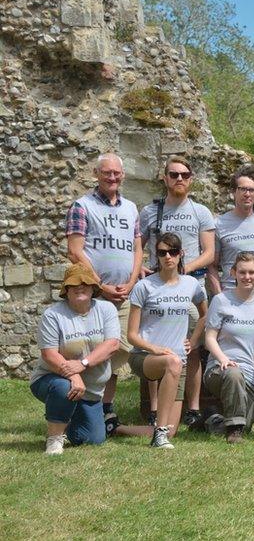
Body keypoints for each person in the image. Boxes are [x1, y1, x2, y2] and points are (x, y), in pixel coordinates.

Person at [65, 152, 142, 435]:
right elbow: (75, 250)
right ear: (96, 174)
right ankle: (82, 405)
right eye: (106, 173)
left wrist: (132, 282)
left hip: (123, 294)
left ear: (123, 175)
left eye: (116, 173)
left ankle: (104, 407)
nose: (112, 177)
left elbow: (137, 249)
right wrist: (100, 285)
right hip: (94, 296)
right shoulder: (82, 206)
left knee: (119, 349)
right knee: (91, 350)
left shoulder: (131, 208)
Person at [137, 155, 215, 430]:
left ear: (191, 179)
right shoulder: (149, 212)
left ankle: (192, 407)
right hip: (158, 288)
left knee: (191, 348)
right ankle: (156, 409)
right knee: (157, 345)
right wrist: (141, 270)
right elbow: (139, 248)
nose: (179, 179)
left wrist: (183, 270)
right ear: (165, 178)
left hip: (191, 287)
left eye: (184, 174)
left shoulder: (200, 212)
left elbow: (209, 253)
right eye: (173, 174)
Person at [209, 165, 254, 426]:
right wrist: (219, 294)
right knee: (231, 353)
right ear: (234, 192)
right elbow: (213, 264)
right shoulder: (220, 222)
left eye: (252, 190)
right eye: (242, 189)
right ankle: (228, 408)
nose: (247, 194)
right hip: (231, 297)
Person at [123, 233, 207, 449]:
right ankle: (158, 436)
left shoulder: (191, 285)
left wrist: (194, 340)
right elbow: (132, 335)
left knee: (173, 430)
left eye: (173, 252)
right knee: (173, 362)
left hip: (177, 361)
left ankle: (115, 428)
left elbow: (205, 315)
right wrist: (155, 348)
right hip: (144, 356)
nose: (168, 256)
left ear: (181, 254)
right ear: (157, 256)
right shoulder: (144, 287)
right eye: (162, 253)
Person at [31, 264, 120, 455]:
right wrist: (72, 376)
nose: (80, 287)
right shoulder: (53, 314)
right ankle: (54, 438)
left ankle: (66, 418)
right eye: (74, 284)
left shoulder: (106, 309)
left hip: (91, 390)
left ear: (94, 287)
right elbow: (49, 354)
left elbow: (112, 344)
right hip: (50, 378)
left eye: (86, 283)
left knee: (92, 439)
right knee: (64, 388)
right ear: (66, 290)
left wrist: (82, 365)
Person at [204, 251, 254, 443]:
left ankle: (211, 419)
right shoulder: (221, 300)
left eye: (251, 272)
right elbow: (209, 337)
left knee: (246, 424)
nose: (247, 277)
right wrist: (223, 359)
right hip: (220, 370)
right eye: (242, 272)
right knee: (234, 374)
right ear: (233, 273)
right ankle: (234, 433)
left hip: (252, 375)